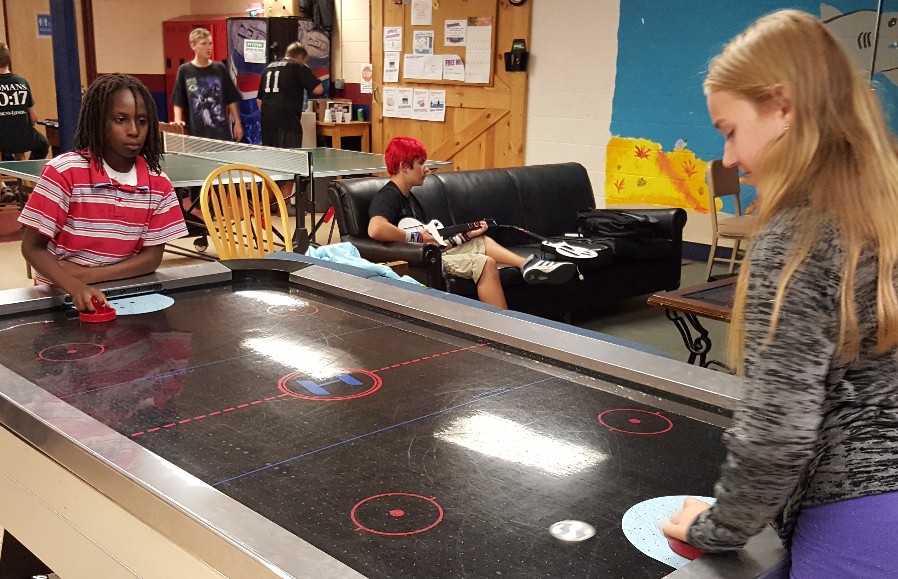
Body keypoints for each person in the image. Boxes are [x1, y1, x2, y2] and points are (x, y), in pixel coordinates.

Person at [661, 10, 898, 578]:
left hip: (863, 509)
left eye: (730, 130)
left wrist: (715, 527)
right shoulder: (884, 208)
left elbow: (778, 433)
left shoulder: (798, 237)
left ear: (782, 106)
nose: (730, 160)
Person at [18, 74, 188, 313]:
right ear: (98, 121)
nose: (134, 131)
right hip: (60, 297)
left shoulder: (159, 184)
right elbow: (32, 247)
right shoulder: (63, 172)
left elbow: (152, 259)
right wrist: (75, 287)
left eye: (142, 121)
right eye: (121, 119)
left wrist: (87, 277)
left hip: (127, 293)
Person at [368, 137, 577, 310]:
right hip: (419, 261)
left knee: (482, 240)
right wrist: (414, 237)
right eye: (421, 163)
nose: (427, 169)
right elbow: (376, 229)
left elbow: (436, 243)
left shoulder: (411, 199)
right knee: (484, 263)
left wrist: (467, 235)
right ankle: (502, 330)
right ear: (405, 166)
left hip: (433, 253)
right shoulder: (388, 196)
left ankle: (528, 264)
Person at [256, 42, 323, 199]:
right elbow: (318, 89)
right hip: (288, 122)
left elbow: (259, 101)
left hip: (267, 123)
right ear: (300, 57)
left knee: (270, 164)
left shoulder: (269, 67)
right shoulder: (297, 67)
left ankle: (268, 203)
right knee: (289, 164)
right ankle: (283, 206)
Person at [170, 28, 243, 142]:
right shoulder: (185, 71)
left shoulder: (219, 69)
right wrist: (178, 121)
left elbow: (231, 98)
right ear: (193, 46)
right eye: (203, 44)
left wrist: (237, 123)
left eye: (210, 43)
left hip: (221, 133)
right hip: (196, 133)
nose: (208, 47)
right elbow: (178, 100)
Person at [0, 41, 50, 162]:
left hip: (2, 138)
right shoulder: (22, 82)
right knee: (43, 144)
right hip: (21, 138)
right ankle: (29, 173)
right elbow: (33, 117)